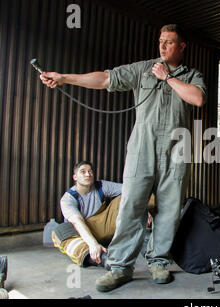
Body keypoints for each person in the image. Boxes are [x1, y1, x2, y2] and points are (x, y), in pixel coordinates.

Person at [40, 24, 206, 291]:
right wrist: (64, 78)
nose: (162, 47)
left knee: (169, 207)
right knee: (131, 205)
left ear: (182, 46)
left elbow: (197, 99)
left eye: (170, 42)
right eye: (161, 41)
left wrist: (167, 78)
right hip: (142, 147)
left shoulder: (191, 75)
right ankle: (120, 267)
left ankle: (158, 261)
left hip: (177, 150)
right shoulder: (143, 69)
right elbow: (105, 79)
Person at [52, 161, 123, 267]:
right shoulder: (68, 199)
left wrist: (143, 208)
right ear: (75, 177)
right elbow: (77, 222)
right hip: (81, 234)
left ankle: (146, 235)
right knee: (58, 232)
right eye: (83, 172)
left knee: (125, 197)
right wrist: (92, 243)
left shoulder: (101, 186)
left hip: (100, 228)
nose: (88, 174)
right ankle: (102, 259)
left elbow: (129, 190)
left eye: (90, 171)